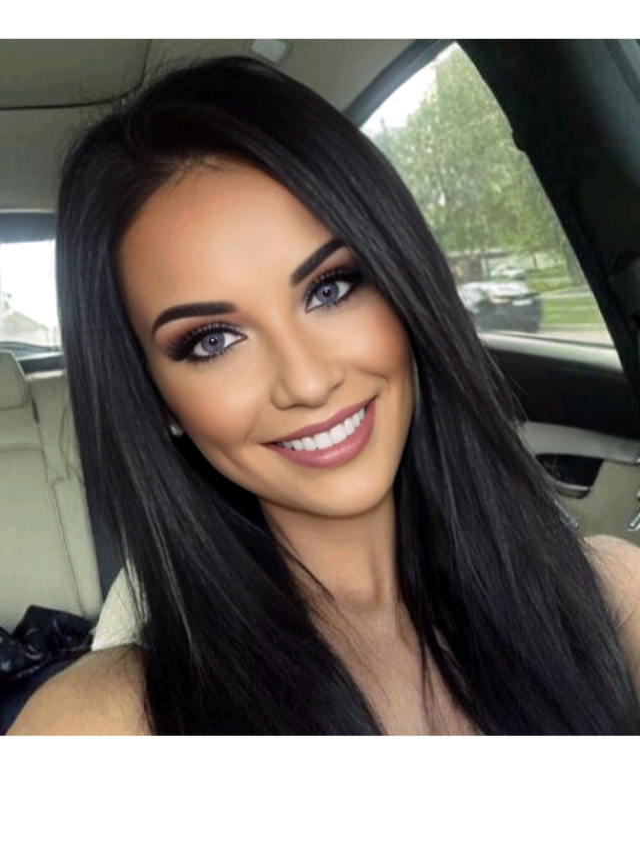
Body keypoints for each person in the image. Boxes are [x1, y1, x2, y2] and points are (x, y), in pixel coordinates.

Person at [8, 56, 640, 737]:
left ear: (402, 283)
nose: (308, 382)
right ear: (157, 401)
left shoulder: (613, 596)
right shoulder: (102, 716)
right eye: (213, 340)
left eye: (330, 289)